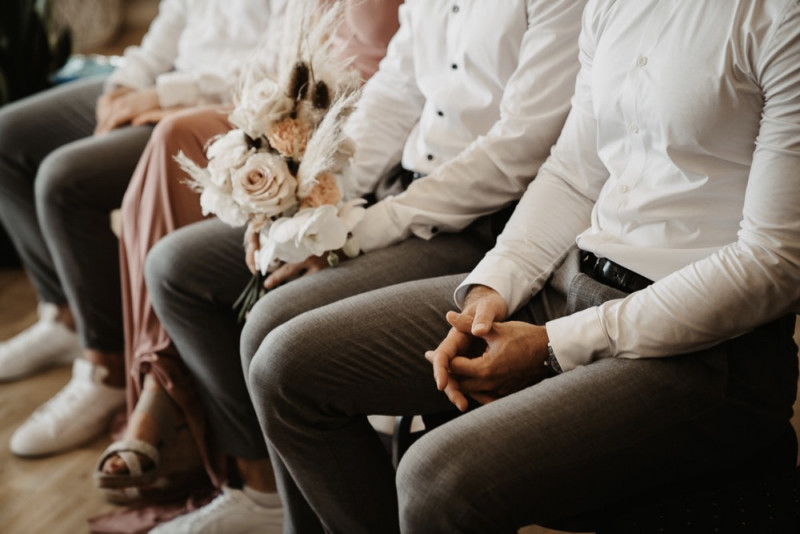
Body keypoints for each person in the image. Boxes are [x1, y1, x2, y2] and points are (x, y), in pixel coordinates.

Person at [244, 0, 800, 532]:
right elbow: (574, 175)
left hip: (708, 348)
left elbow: (775, 261)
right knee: (286, 368)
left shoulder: (781, 17)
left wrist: (557, 344)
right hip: (573, 282)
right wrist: (493, 288)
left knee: (434, 479)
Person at [145, 0, 586, 531]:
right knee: (177, 267)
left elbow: (518, 149)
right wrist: (314, 204)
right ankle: (260, 491)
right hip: (398, 189)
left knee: (271, 326)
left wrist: (356, 231)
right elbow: (396, 93)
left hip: (486, 220)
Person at [90, 0, 405, 530]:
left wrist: (326, 201)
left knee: (272, 332)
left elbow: (401, 95)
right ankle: (157, 391)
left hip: (363, 145)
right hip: (314, 127)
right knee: (173, 257)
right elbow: (276, 55)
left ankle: (163, 392)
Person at [0, 0, 287, 458]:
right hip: (163, 83)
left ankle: (107, 365)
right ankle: (67, 315)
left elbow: (278, 68)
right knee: (10, 136)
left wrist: (161, 95)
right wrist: (122, 86)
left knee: (65, 180)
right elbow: (168, 24)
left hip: (213, 105)